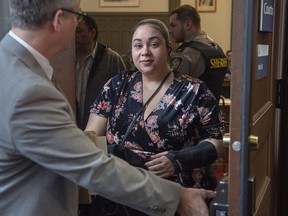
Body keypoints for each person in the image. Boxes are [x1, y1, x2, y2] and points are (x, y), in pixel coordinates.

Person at [0, 1, 217, 216]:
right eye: (78, 15)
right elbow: (91, 164)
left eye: (154, 44)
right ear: (58, 20)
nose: (78, 25)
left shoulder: (10, 65)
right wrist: (176, 197)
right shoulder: (32, 90)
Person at [85, 18, 225, 215]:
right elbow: (91, 137)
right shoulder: (116, 86)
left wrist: (177, 160)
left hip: (175, 196)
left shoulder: (194, 91)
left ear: (169, 48)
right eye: (138, 45)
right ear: (131, 51)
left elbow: (216, 144)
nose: (145, 52)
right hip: (122, 193)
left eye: (154, 44)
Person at [75, 13, 126, 130]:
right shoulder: (64, 59)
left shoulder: (111, 58)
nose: (74, 35)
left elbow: (122, 96)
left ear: (92, 33)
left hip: (100, 129)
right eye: (71, 31)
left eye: (78, 31)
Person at [169, 4, 228, 102]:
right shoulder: (217, 48)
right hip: (213, 112)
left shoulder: (186, 54)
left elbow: (172, 90)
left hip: (192, 113)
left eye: (173, 25)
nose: (170, 30)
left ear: (188, 24)